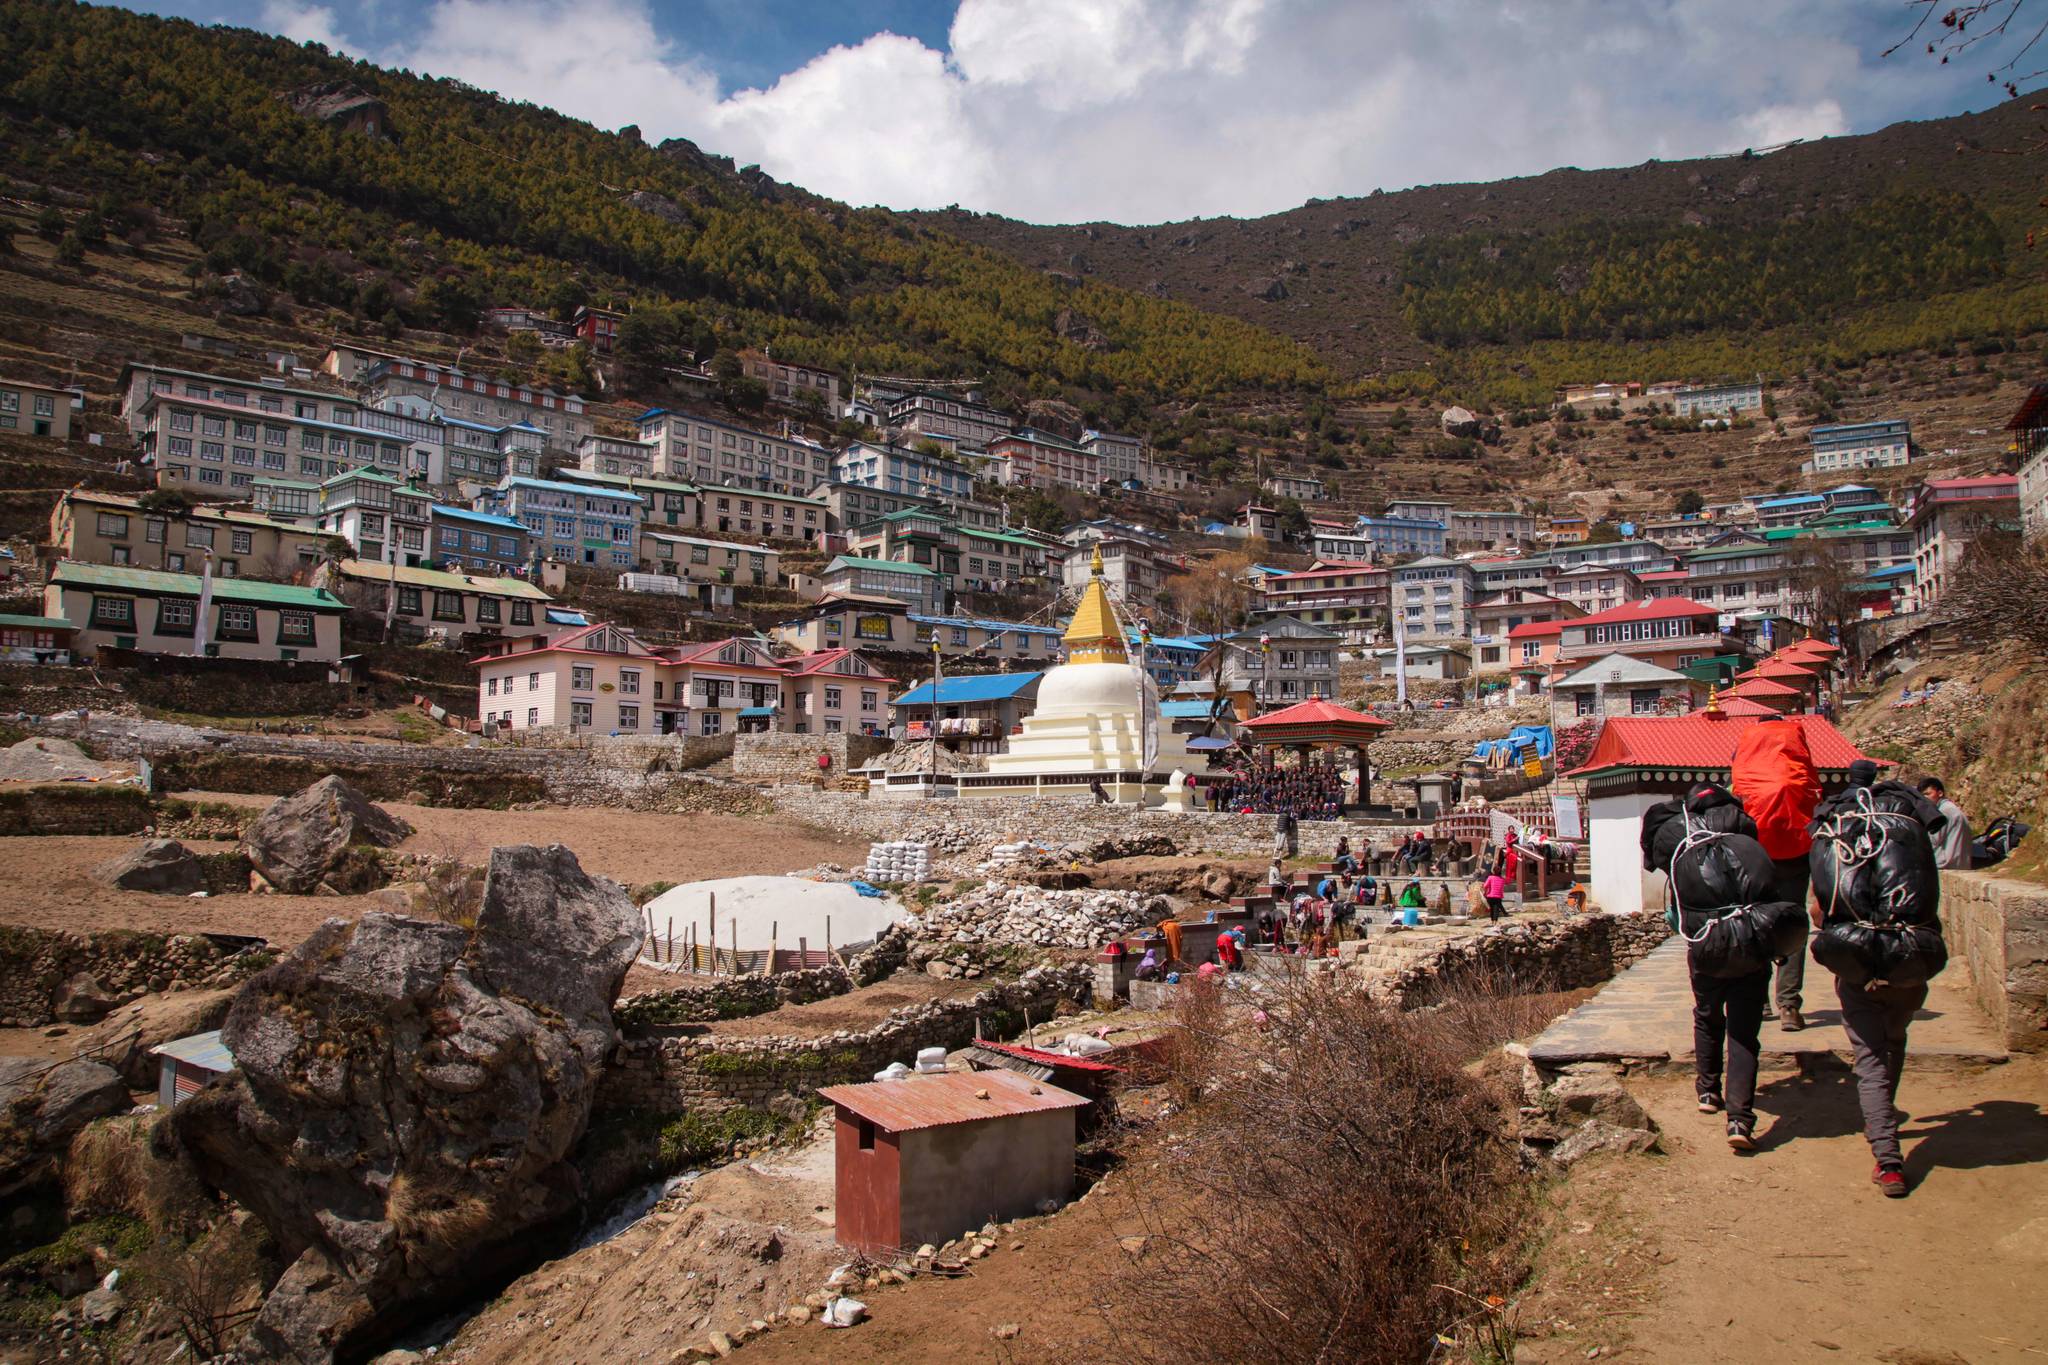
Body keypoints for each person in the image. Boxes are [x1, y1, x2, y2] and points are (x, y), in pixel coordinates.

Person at [1817, 762, 1948, 1198]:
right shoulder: (1909, 835)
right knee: (1894, 1040)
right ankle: (1884, 1118)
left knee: (1869, 1059)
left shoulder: (1839, 832)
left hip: (1857, 956)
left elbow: (1822, 908)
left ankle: (1888, 1159)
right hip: (1911, 955)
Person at [1730, 716, 1822, 1032]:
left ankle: (1760, 1000)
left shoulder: (1746, 760)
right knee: (1793, 925)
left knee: (1755, 924)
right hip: (1797, 852)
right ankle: (1789, 1006)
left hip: (1755, 855)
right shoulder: (1797, 764)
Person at [1919, 776, 1974, 870]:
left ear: (1940, 793)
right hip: (1960, 863)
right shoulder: (1950, 808)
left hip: (1947, 864)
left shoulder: (1944, 812)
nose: (1925, 798)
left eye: (1928, 794)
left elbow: (1932, 841)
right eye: (1922, 795)